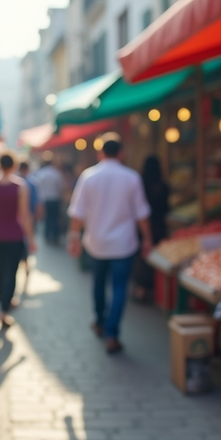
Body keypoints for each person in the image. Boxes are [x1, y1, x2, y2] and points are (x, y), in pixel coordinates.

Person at [67, 134, 152, 354]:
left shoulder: (88, 176)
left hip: (96, 242)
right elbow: (142, 213)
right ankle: (112, 333)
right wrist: (148, 239)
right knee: (120, 287)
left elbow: (77, 213)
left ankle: (100, 321)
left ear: (100, 153)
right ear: (121, 153)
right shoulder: (131, 177)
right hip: (123, 243)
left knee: (98, 283)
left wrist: (74, 238)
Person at [0, 154, 36, 328]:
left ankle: (3, 304)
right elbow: (24, 215)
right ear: (14, 165)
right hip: (15, 235)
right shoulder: (20, 186)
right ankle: (5, 309)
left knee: (0, 271)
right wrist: (32, 238)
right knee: (11, 273)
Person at [136, 156, 169, 301]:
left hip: (142, 226)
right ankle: (157, 289)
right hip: (159, 226)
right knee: (156, 256)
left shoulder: (140, 184)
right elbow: (167, 207)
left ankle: (142, 288)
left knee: (142, 258)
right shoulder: (163, 186)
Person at [17, 162, 41, 278]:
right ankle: (25, 264)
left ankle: (23, 263)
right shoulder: (32, 183)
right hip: (29, 217)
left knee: (21, 242)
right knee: (26, 241)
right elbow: (37, 202)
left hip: (18, 218)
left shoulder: (16, 183)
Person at [34, 158, 65, 245]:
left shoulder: (41, 174)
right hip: (55, 199)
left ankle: (47, 236)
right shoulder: (57, 173)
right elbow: (61, 187)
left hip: (44, 199)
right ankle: (55, 236)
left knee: (47, 218)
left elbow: (38, 188)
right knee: (54, 218)